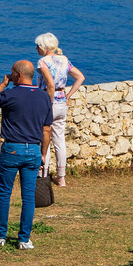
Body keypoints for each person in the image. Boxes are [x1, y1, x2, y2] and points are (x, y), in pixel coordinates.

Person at [0, 61, 55, 250]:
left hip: (12, 149)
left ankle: (0, 236)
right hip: (33, 150)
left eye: (12, 73)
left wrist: (3, 84)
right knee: (28, 196)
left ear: (18, 76)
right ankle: (24, 239)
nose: (11, 76)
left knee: (5, 193)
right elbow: (46, 130)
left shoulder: (10, 94)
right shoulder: (44, 97)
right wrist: (43, 154)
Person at [36, 33, 84, 187]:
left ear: (44, 47)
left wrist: (48, 103)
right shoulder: (64, 60)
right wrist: (68, 95)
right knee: (59, 139)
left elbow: (49, 84)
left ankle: (43, 174)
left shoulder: (43, 61)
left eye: (38, 46)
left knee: (45, 138)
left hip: (48, 102)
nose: (36, 48)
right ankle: (61, 177)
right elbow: (80, 77)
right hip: (62, 101)